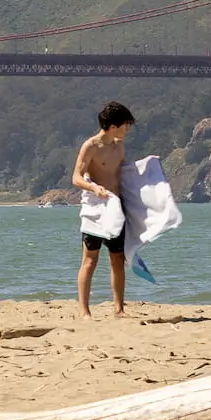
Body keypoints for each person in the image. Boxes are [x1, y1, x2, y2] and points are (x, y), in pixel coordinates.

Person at [73, 101, 136, 317]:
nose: (128, 128)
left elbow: (123, 172)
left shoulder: (118, 145)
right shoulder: (90, 146)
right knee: (90, 260)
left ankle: (119, 309)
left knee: (117, 259)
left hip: (116, 208)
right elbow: (76, 177)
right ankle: (84, 311)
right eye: (126, 124)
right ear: (113, 125)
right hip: (95, 209)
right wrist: (93, 186)